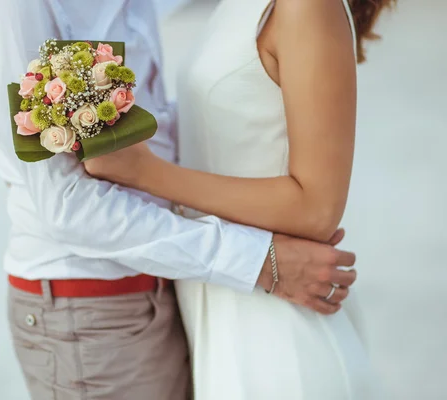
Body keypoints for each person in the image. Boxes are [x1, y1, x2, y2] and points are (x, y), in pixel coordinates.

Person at [0, 0, 359, 398]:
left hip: (185, 288)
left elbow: (163, 134)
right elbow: (66, 206)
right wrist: (255, 261)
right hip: (90, 309)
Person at [86, 0, 396, 398]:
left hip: (280, 342)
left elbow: (316, 208)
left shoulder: (307, 7)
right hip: (225, 314)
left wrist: (146, 173)